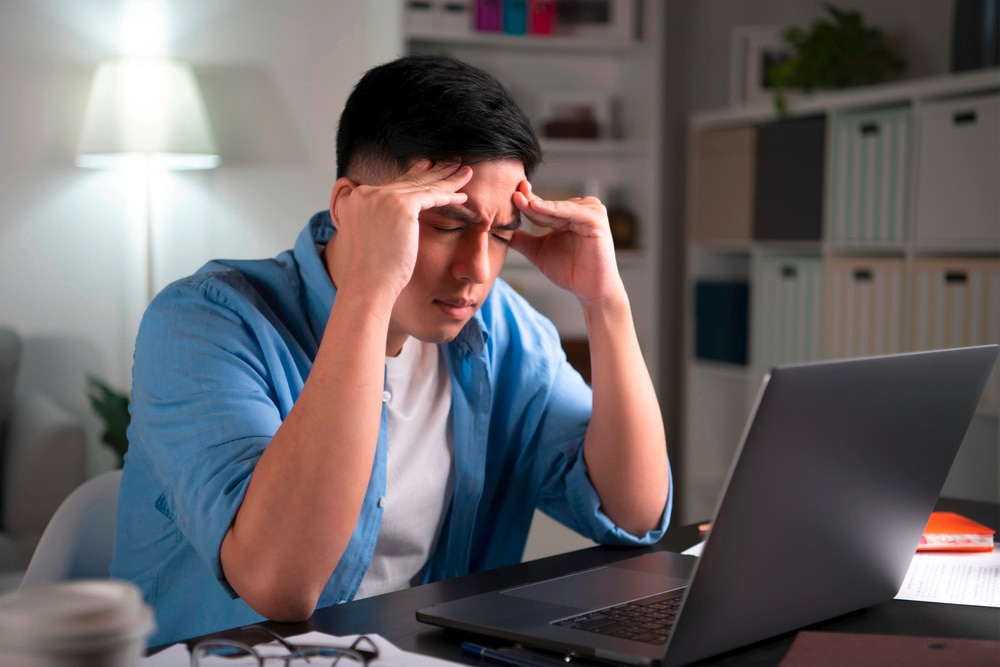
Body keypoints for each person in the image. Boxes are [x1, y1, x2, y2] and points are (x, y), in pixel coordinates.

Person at [111, 54, 671, 646]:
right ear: (351, 206)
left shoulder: (504, 328)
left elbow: (632, 511)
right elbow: (279, 584)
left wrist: (605, 302)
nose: (477, 270)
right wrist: (369, 292)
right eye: (447, 224)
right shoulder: (202, 324)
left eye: (502, 231)